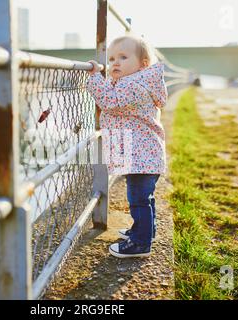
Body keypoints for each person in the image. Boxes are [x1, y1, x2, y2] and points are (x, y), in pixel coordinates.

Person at [86, 35, 168, 258]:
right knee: (145, 198)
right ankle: (145, 232)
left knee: (138, 200)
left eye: (123, 57)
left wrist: (94, 78)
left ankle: (140, 244)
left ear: (143, 64)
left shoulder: (134, 86)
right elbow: (114, 97)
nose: (115, 63)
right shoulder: (134, 82)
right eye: (111, 59)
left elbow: (110, 102)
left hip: (142, 157)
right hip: (143, 155)